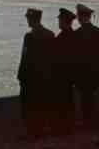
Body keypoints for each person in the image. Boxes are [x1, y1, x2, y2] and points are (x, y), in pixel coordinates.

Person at [17, 8, 55, 140]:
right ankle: (40, 129)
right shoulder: (50, 34)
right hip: (44, 76)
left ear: (32, 19)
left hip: (31, 76)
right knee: (41, 103)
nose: (27, 20)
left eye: (28, 18)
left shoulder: (30, 36)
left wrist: (20, 75)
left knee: (29, 105)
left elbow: (25, 58)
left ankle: (32, 131)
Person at [50, 8, 77, 135]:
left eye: (60, 19)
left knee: (63, 101)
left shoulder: (64, 37)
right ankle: (66, 126)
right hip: (68, 75)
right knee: (67, 100)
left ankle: (63, 127)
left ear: (64, 21)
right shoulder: (71, 35)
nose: (58, 22)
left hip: (62, 75)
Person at [73, 4, 99, 128]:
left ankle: (88, 121)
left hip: (83, 71)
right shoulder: (97, 32)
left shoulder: (77, 34)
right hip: (95, 70)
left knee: (85, 97)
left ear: (81, 17)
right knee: (92, 96)